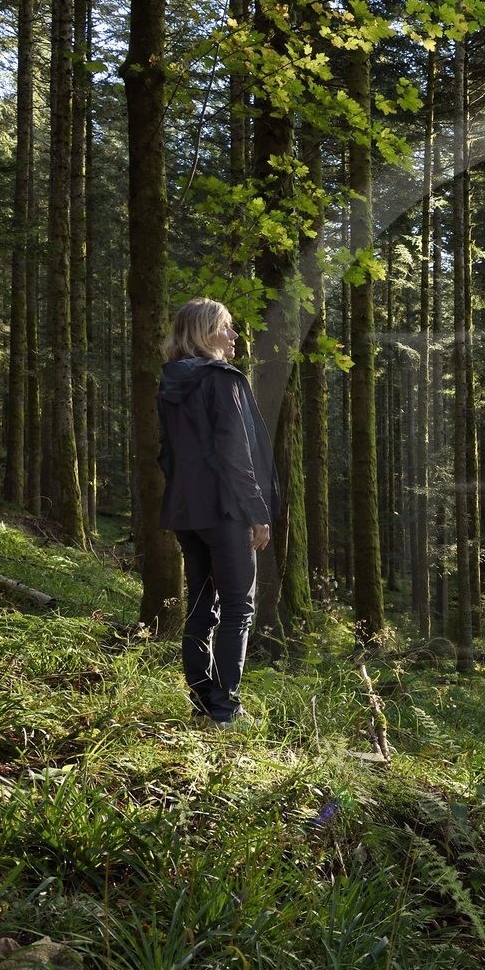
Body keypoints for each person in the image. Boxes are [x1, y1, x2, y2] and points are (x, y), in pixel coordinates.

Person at [157, 297, 277, 728]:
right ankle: (225, 710)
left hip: (187, 510)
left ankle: (203, 703)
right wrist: (257, 511)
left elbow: (167, 455)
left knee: (201, 606)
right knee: (238, 608)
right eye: (227, 328)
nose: (234, 336)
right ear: (208, 332)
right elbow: (235, 454)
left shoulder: (170, 381)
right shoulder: (221, 380)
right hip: (225, 510)